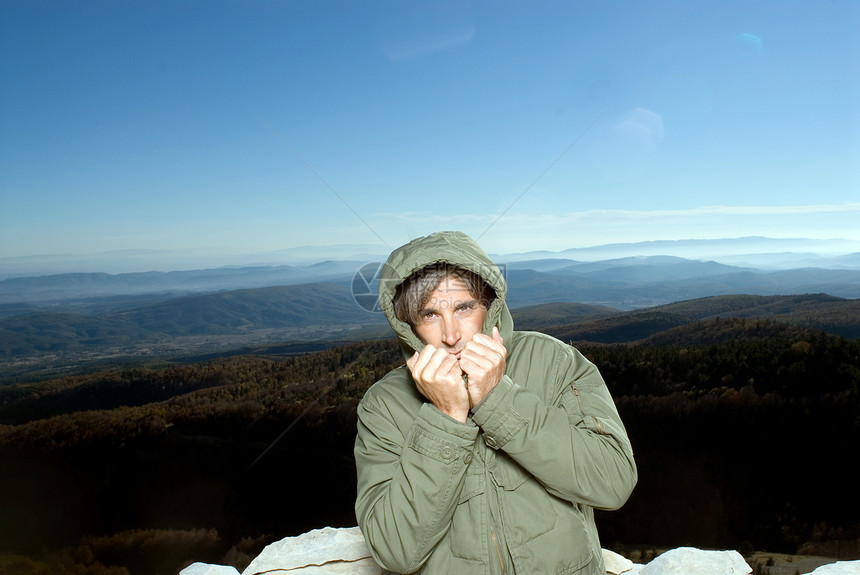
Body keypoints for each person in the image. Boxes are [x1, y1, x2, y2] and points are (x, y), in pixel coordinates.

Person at [354, 231, 637, 574]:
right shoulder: (383, 405)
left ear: (489, 307)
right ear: (408, 326)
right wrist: (446, 418)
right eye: (429, 315)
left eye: (463, 307)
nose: (451, 335)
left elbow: (613, 483)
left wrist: (496, 399)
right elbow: (394, 551)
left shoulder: (555, 361)